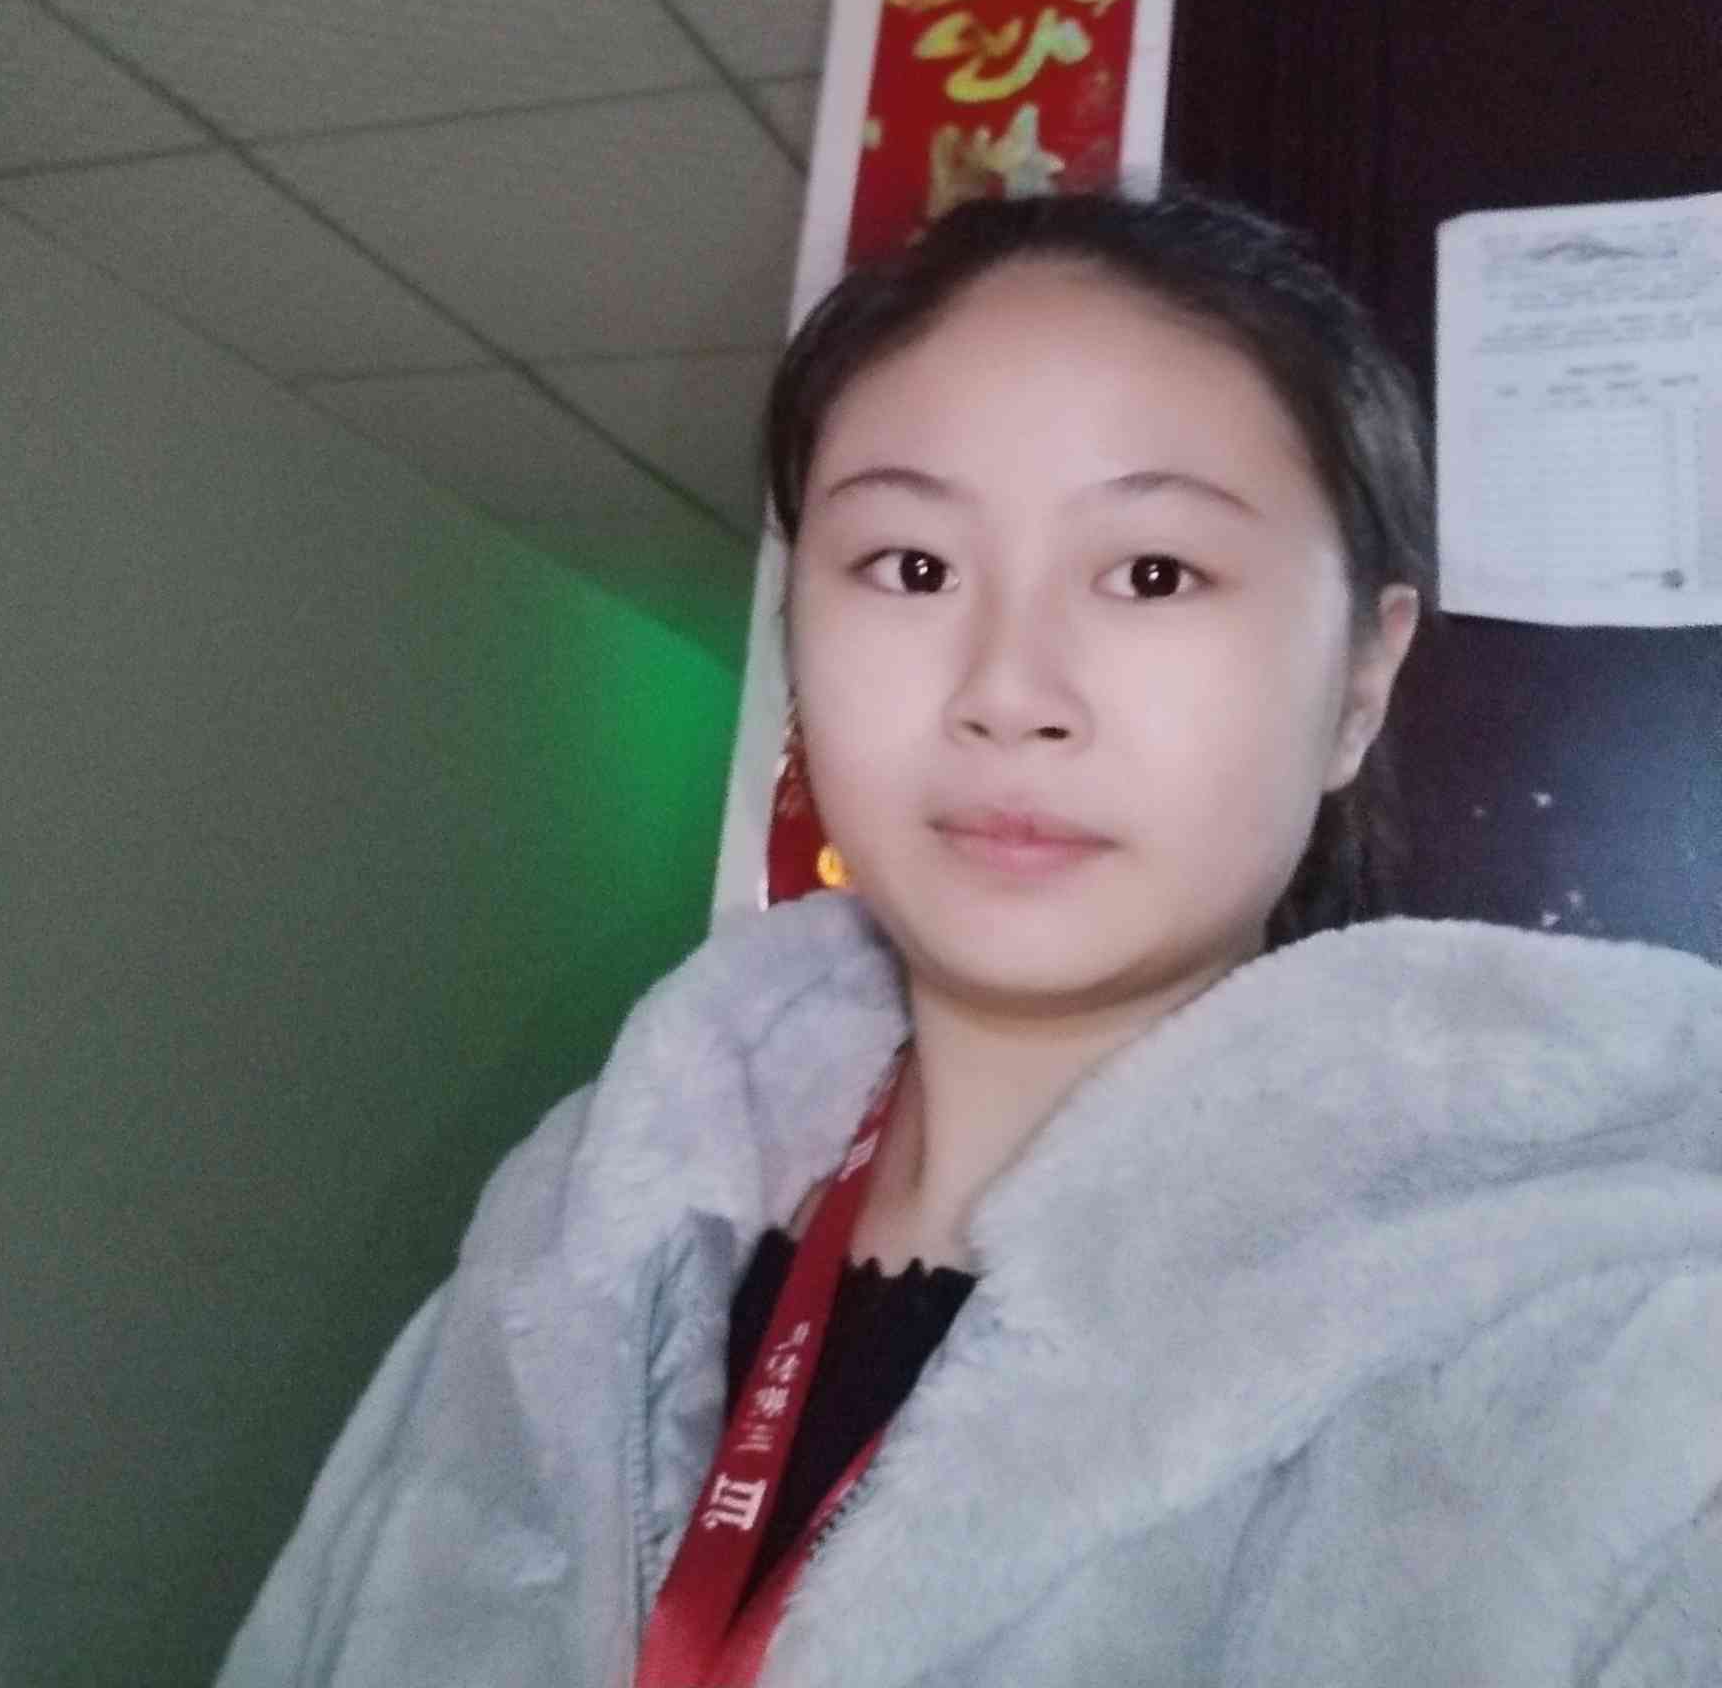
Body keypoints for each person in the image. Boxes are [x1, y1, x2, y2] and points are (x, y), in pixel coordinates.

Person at [218, 183, 1722, 1688]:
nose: (1008, 690)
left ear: (1361, 685)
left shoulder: (1603, 1365)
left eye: (1152, 573)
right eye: (912, 568)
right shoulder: (575, 1228)